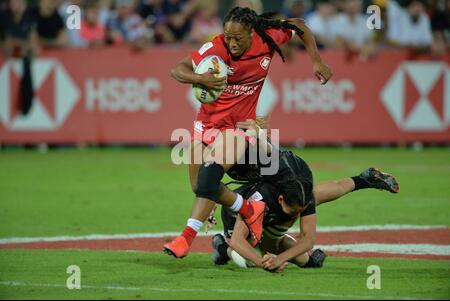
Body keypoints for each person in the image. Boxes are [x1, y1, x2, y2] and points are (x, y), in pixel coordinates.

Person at [164, 6, 333, 259]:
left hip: (238, 127)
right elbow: (177, 69)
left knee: (209, 179)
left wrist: (316, 60)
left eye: (237, 38)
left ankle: (185, 239)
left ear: (252, 32)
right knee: (200, 186)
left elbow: (299, 24)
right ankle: (249, 209)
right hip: (206, 124)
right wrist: (201, 79)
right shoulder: (217, 48)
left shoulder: (269, 37)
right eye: (227, 36)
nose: (231, 43)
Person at [211, 148, 400, 272]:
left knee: (275, 246)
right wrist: (264, 262)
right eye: (293, 211)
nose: (296, 216)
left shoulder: (302, 196)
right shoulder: (259, 199)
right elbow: (237, 240)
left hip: (287, 175)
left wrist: (279, 259)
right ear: (280, 198)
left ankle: (364, 179)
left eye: (299, 211)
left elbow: (308, 239)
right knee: (249, 257)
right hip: (236, 213)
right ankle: (221, 245)